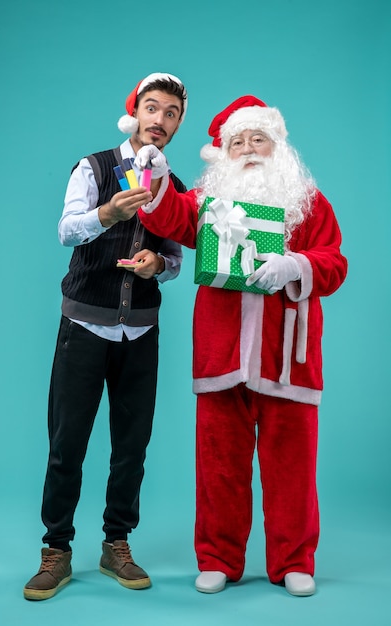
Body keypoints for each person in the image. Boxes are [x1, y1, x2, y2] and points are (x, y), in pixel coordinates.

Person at [133, 95, 348, 596]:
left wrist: (297, 266)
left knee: (293, 469)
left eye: (258, 139)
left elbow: (334, 262)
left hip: (287, 360)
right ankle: (218, 558)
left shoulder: (307, 201)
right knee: (219, 466)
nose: (249, 149)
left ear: (278, 146)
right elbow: (167, 220)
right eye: (238, 142)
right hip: (222, 353)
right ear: (222, 152)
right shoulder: (209, 202)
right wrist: (156, 178)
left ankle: (295, 561)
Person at [23, 72, 188, 601]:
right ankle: (56, 550)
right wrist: (107, 213)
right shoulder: (93, 167)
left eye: (170, 114)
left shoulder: (175, 186)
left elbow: (179, 261)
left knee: (131, 447)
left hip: (141, 330)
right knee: (66, 442)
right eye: (152, 108)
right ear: (134, 112)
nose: (159, 120)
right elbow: (66, 230)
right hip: (85, 324)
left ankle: (116, 543)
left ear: (177, 124)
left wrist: (156, 263)